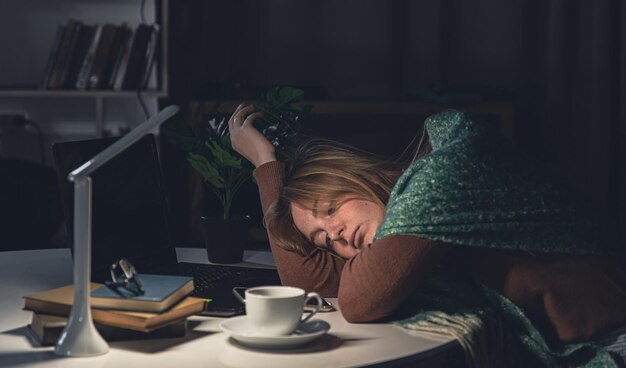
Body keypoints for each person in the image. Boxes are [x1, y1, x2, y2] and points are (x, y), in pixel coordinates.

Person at [228, 103, 626, 367]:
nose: (338, 235)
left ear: (356, 176)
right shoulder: (407, 243)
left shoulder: (445, 171)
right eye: (325, 241)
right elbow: (306, 283)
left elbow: (360, 298)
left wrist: (273, 170)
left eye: (331, 210)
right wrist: (266, 163)